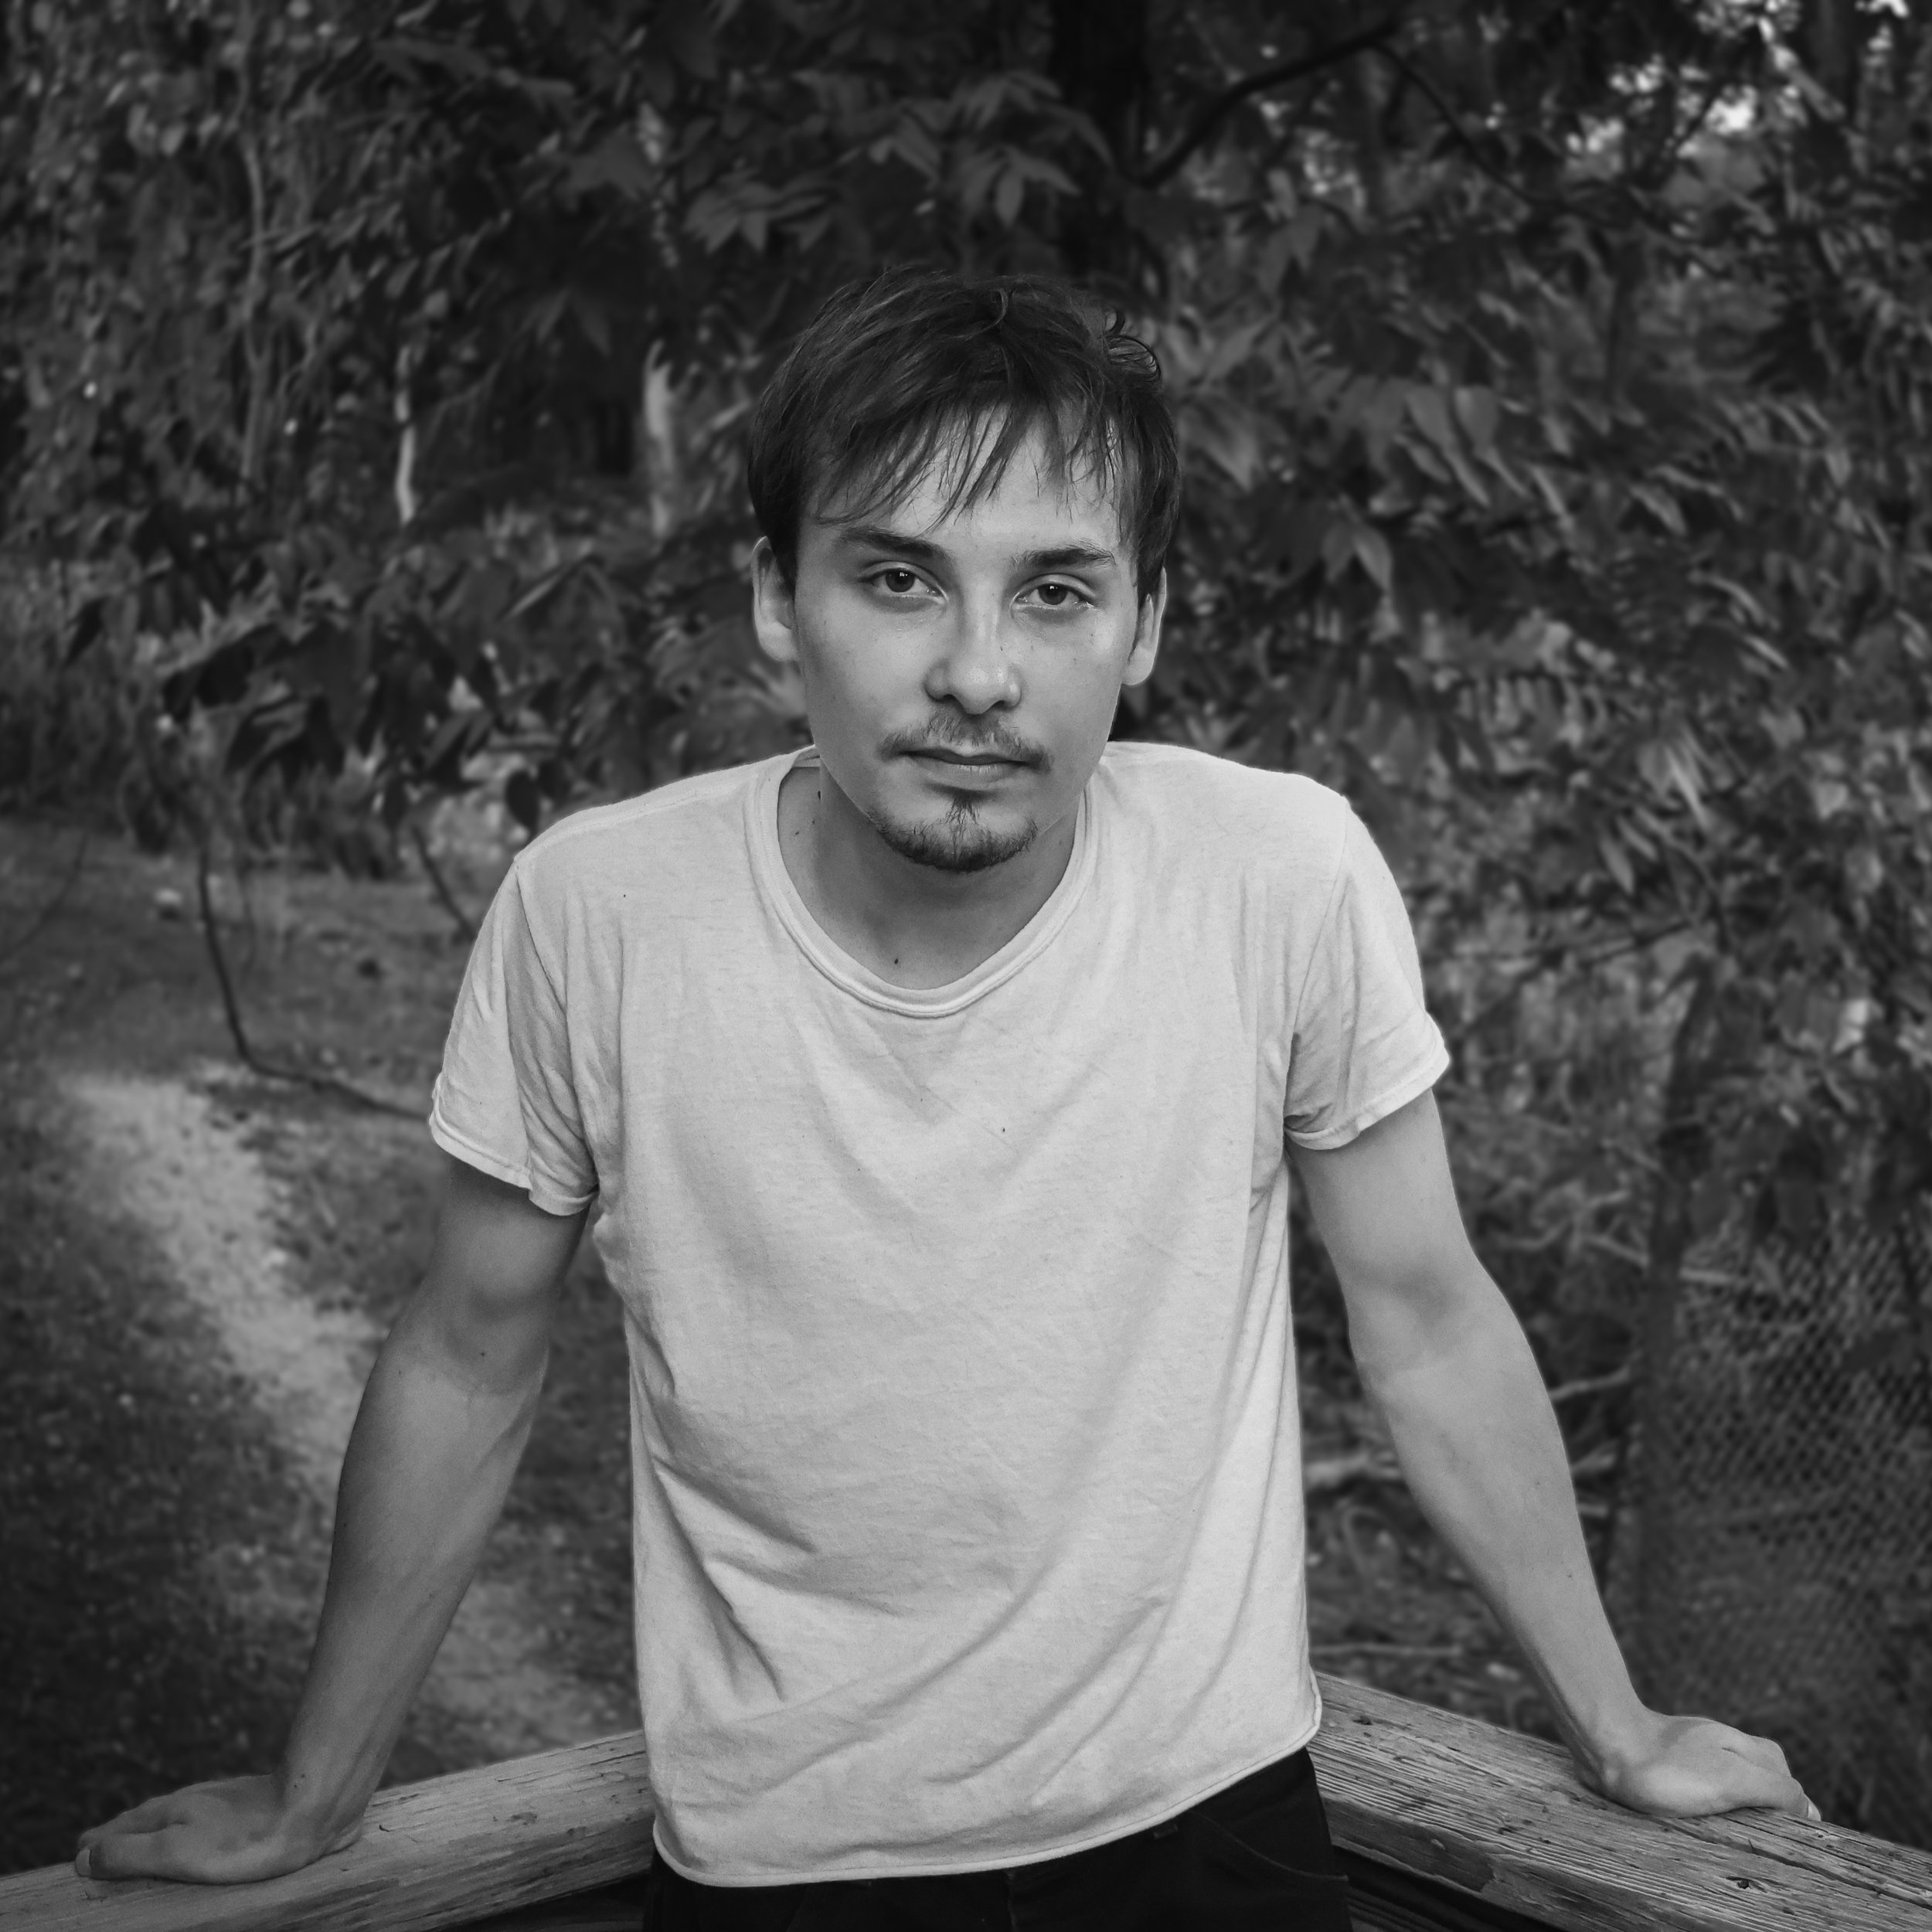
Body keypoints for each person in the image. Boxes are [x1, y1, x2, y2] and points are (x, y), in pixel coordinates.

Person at [76, 269, 1816, 1928]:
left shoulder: (1273, 869)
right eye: (898, 578)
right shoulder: (596, 911)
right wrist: (320, 1788)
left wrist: (1617, 1720)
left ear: (1143, 621)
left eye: (1053, 588)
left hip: (1210, 1826)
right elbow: (468, 1348)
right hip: (784, 1862)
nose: (978, 671)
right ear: (778, 605)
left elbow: (1424, 1315)